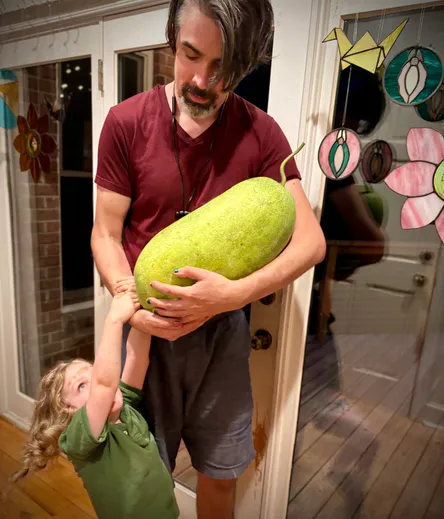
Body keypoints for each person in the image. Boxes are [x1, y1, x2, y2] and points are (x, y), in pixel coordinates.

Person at [91, 0, 326, 517]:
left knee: (220, 472)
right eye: (190, 54)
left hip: (222, 333)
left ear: (245, 64)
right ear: (172, 38)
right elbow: (105, 235)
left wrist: (231, 296)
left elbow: (311, 243)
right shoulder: (125, 122)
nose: (201, 79)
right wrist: (134, 305)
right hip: (141, 331)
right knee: (138, 471)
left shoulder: (262, 133)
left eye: (222, 68)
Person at [12, 279, 179, 519]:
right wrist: (114, 319)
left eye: (94, 372)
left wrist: (142, 300)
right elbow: (104, 385)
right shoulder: (80, 443)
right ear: (68, 413)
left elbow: (137, 354)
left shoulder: (125, 406)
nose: (96, 380)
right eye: (81, 385)